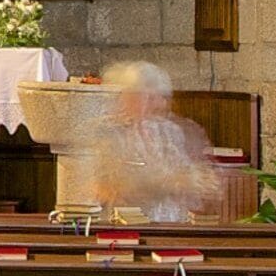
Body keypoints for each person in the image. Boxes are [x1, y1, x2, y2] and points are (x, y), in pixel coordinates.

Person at [77, 61, 227, 221]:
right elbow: (93, 187)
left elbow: (186, 174)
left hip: (169, 224)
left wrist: (198, 181)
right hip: (122, 225)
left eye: (160, 97)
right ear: (124, 96)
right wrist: (158, 183)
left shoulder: (170, 132)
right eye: (147, 96)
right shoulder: (104, 131)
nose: (158, 104)